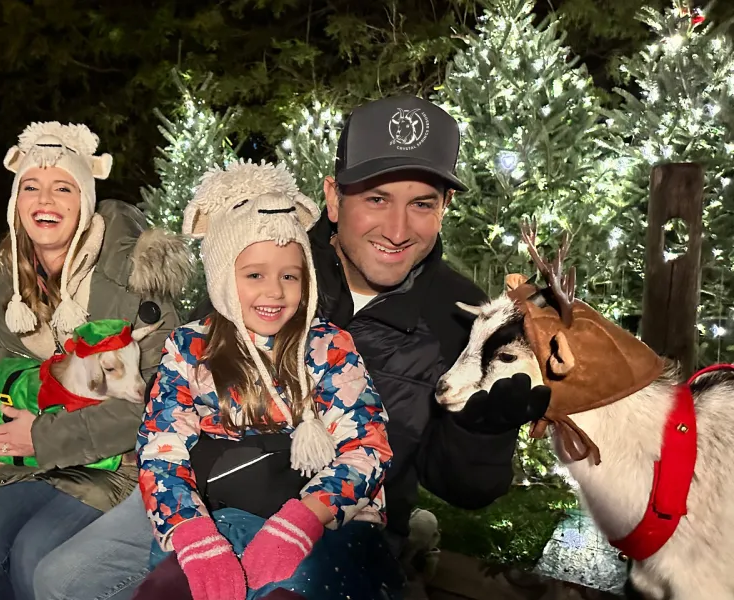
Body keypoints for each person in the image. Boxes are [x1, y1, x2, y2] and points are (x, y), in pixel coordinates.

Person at [32, 95, 550, 600]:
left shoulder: (462, 317)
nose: (397, 229)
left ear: (444, 207)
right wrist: (202, 507)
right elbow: (182, 399)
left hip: (336, 516)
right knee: (61, 580)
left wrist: (482, 433)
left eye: (421, 204)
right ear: (333, 197)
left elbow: (457, 484)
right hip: (202, 488)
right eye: (376, 198)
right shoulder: (267, 250)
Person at [0, 121, 191, 600]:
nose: (45, 200)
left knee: (36, 557)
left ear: (85, 200)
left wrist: (40, 435)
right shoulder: (13, 276)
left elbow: (157, 401)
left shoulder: (132, 276)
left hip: (118, 461)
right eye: (30, 186)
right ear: (16, 201)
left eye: (62, 187)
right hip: (34, 456)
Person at [132, 160, 392, 600]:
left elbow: (367, 447)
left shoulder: (328, 347)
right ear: (222, 276)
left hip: (320, 521)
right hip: (214, 516)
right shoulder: (190, 348)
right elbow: (161, 447)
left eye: (289, 276)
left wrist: (305, 519)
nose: (274, 291)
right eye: (255, 275)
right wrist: (191, 532)